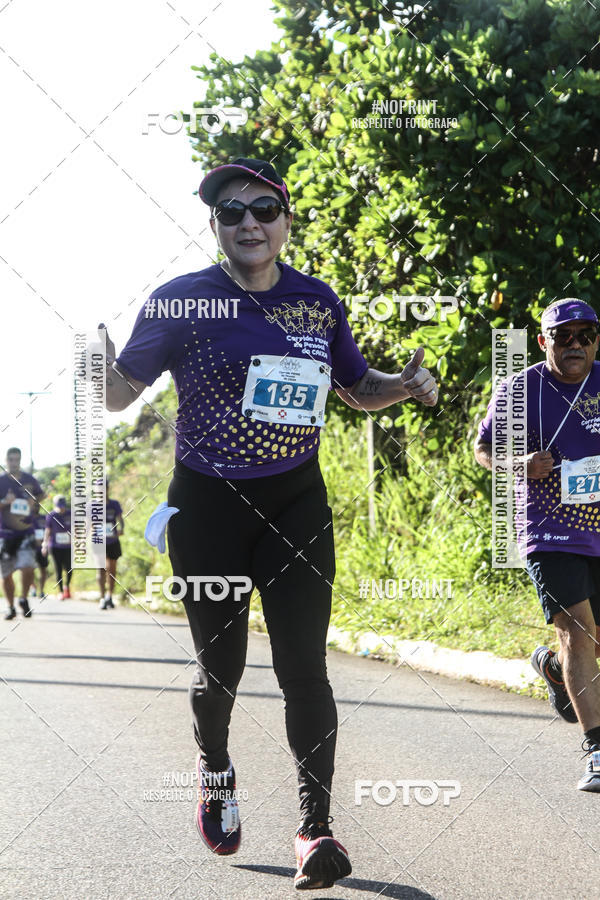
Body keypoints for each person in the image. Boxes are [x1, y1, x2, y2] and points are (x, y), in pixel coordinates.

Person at [102, 156, 439, 890]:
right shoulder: (180, 302)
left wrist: (404, 386)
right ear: (216, 226)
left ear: (285, 220)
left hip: (296, 507)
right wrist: (95, 366)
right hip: (210, 511)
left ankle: (315, 832)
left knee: (303, 669)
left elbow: (355, 388)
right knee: (219, 673)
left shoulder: (316, 301)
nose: (249, 223)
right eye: (231, 213)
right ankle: (215, 771)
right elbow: (119, 395)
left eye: (262, 209)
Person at [475, 298, 600, 792]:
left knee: (590, 640)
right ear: (544, 340)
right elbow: (484, 450)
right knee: (579, 631)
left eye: (584, 335)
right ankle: (597, 750)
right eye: (562, 337)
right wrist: (520, 464)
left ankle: (552, 668)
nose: (574, 345)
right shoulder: (520, 389)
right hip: (551, 532)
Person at [0, 447, 44, 620]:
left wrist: (32, 501)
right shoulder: (1, 481)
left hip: (26, 532)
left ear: (20, 460)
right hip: (5, 534)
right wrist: (5, 502)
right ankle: (10, 606)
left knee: (28, 568)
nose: (13, 462)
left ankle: (24, 598)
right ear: (6, 460)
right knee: (6, 574)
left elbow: (41, 495)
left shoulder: (29, 479)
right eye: (10, 459)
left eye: (16, 459)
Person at [96, 480, 124, 610]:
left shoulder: (114, 504)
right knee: (101, 568)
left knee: (111, 569)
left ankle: (110, 596)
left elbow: (120, 518)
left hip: (112, 540)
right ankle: (102, 598)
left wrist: (121, 528)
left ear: (108, 488)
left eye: (104, 488)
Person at [42, 495, 73, 600]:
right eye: (60, 506)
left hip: (68, 546)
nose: (62, 509)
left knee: (69, 568)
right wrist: (44, 544)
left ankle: (67, 587)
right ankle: (60, 592)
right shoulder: (51, 515)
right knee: (58, 569)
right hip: (55, 547)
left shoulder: (70, 514)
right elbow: (47, 530)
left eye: (63, 506)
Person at [32, 501, 49, 599]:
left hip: (42, 548)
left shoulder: (44, 518)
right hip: (31, 548)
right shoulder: (27, 518)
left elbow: (48, 531)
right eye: (34, 506)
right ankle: (33, 587)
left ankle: (41, 591)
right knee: (30, 570)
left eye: (38, 506)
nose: (36, 508)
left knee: (43, 569)